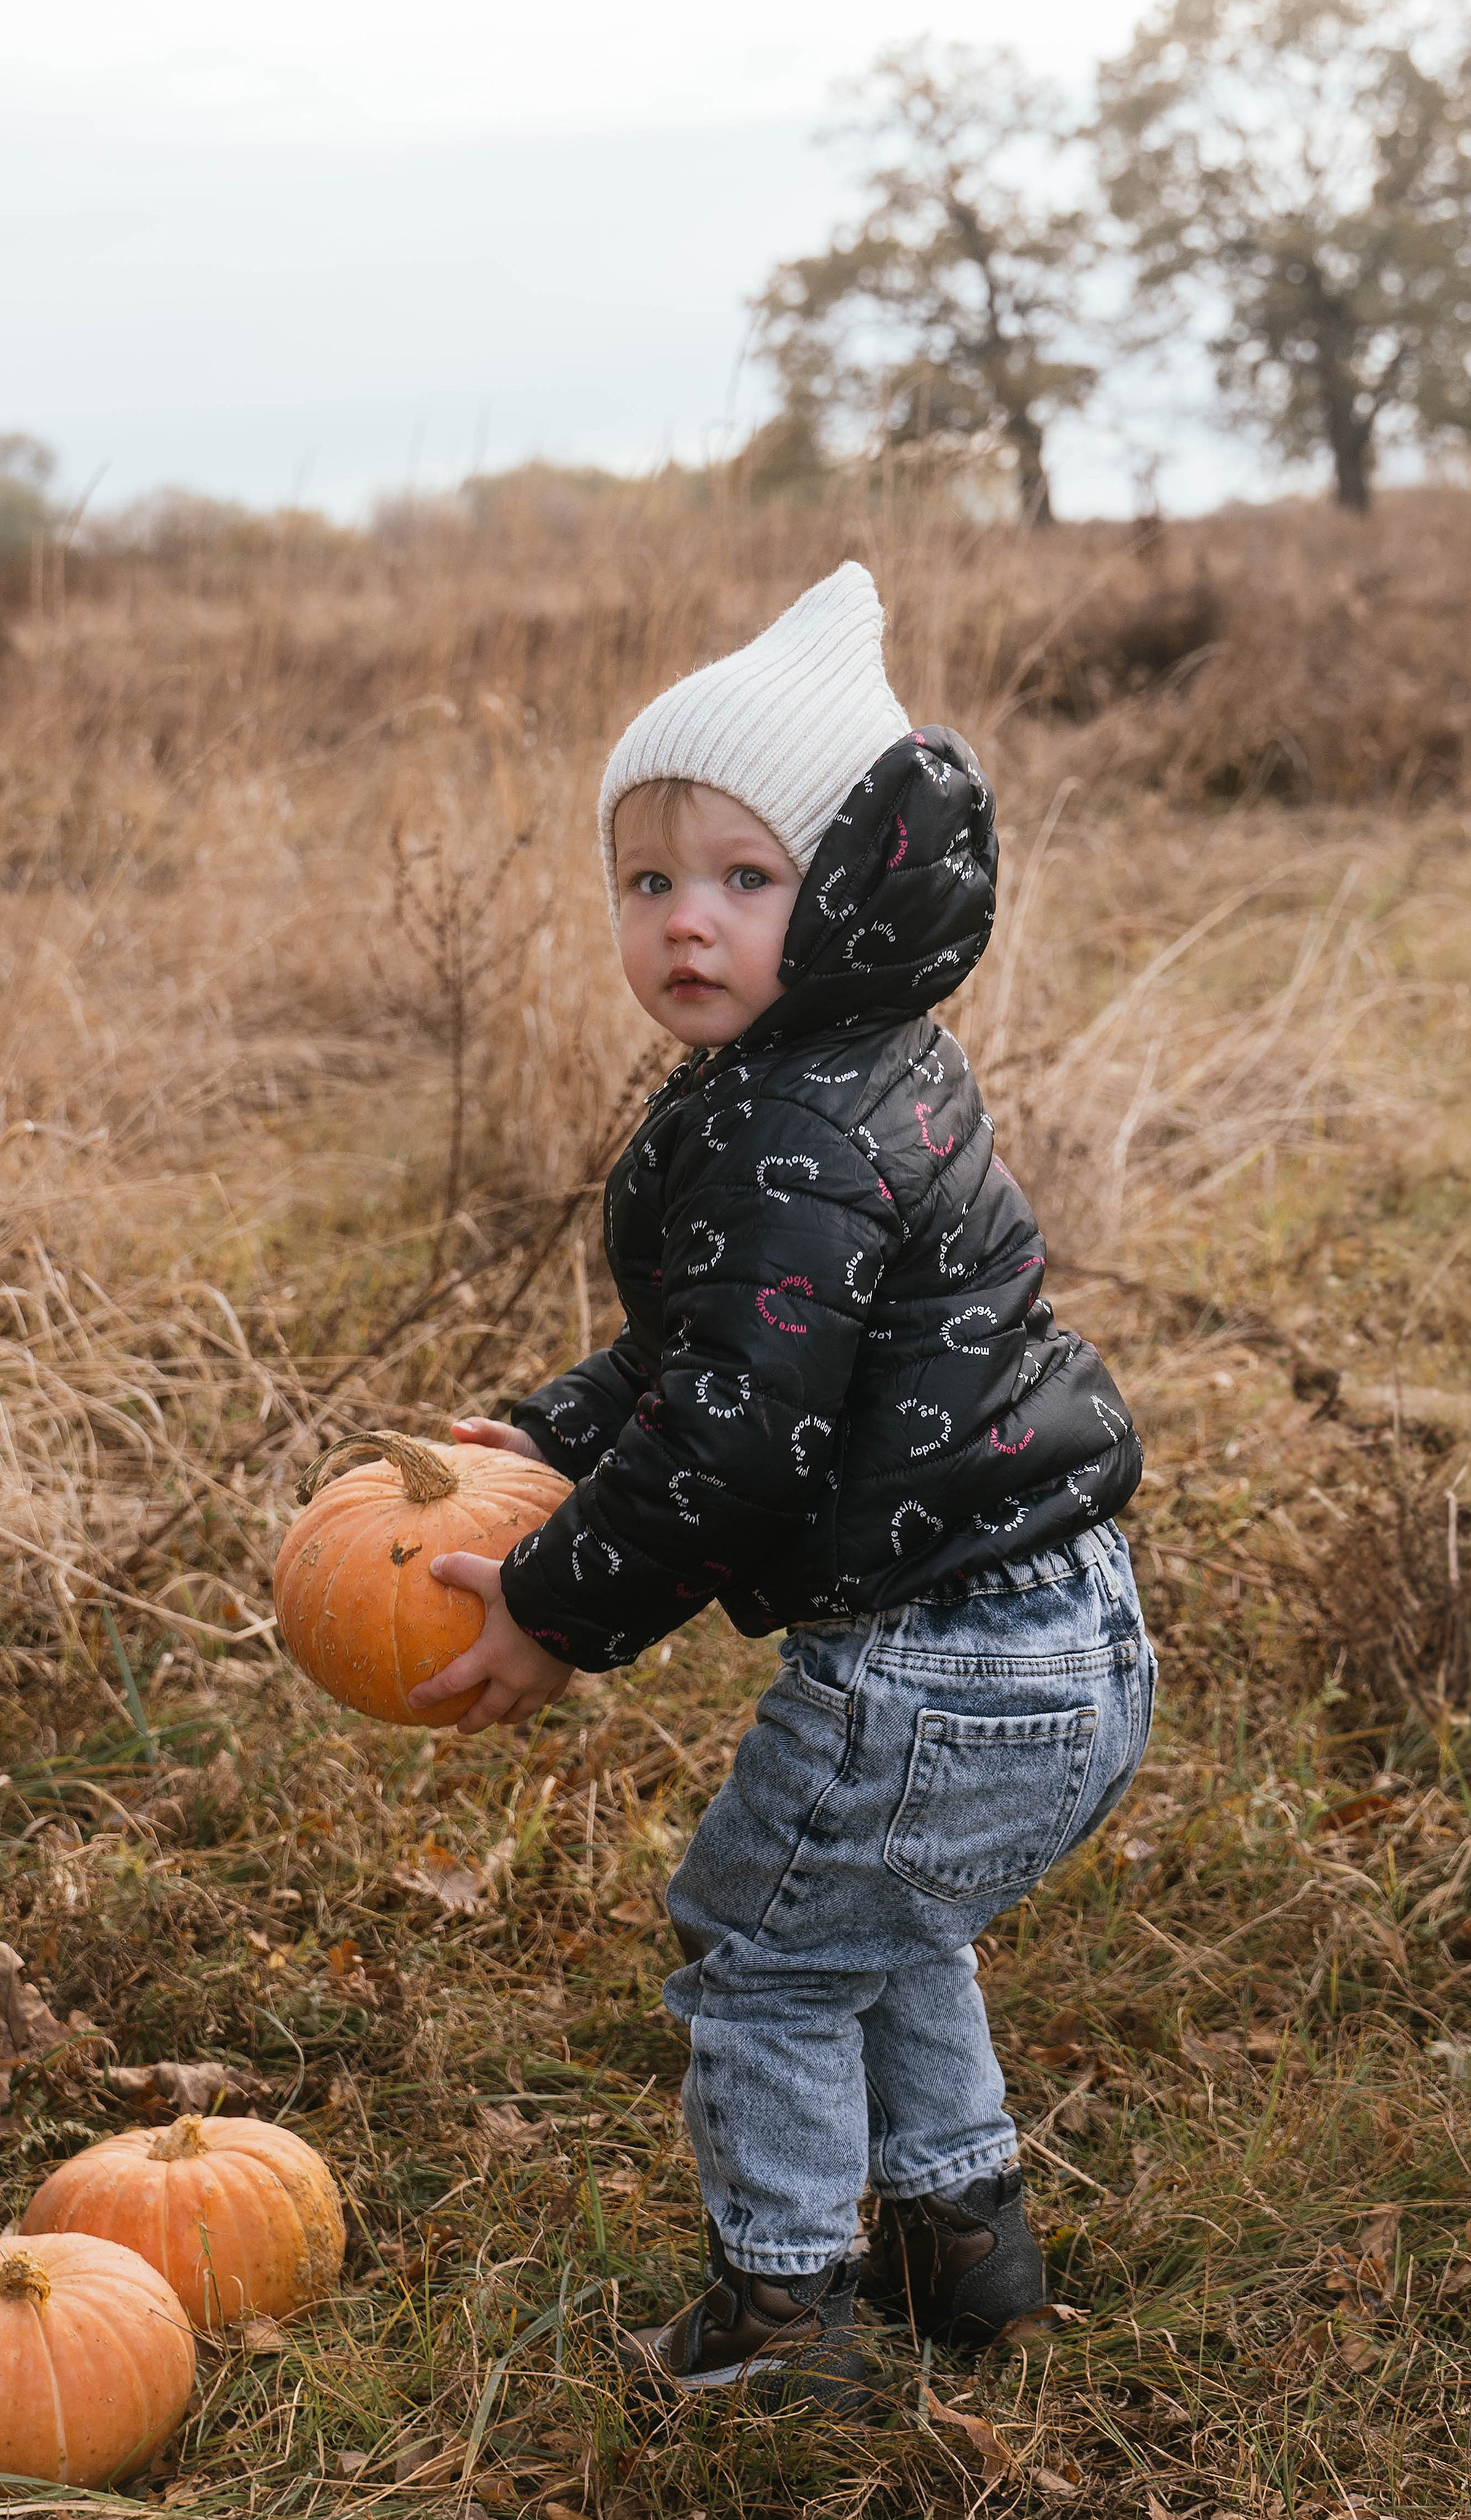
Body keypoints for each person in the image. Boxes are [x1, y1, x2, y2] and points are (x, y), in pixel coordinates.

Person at [409, 564, 1154, 2411]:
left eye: (743, 879)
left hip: (938, 1667)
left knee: (755, 1953)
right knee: (875, 1920)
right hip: (1057, 1627)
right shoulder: (852, 1063)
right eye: (646, 880)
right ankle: (962, 2250)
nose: (683, 924)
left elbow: (744, 1433)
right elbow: (751, 1345)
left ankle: (784, 2328)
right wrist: (560, 1434)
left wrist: (553, 1605)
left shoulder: (783, 1122)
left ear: (840, 891)